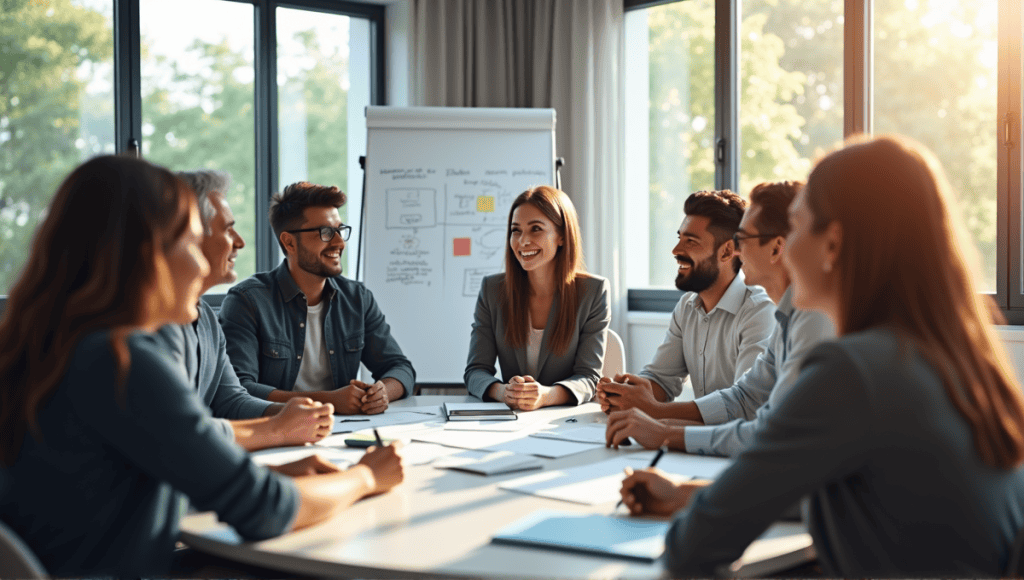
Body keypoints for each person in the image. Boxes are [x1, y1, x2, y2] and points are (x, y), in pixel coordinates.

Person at [620, 135, 1024, 576]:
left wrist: (690, 492)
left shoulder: (852, 370)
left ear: (831, 244)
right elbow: (829, 491)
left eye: (797, 226)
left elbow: (692, 548)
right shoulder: (956, 356)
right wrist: (686, 494)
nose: (787, 249)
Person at [0, 156, 404, 577]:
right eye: (192, 244)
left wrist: (275, 473)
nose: (200, 266)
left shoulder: (58, 342)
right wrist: (365, 477)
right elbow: (265, 510)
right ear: (148, 253)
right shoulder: (120, 360)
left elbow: (120, 479)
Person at [606, 181, 835, 457]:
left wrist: (664, 428)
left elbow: (768, 428)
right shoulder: (787, 315)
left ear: (776, 249)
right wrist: (643, 407)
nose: (737, 252)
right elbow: (745, 398)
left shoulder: (810, 318)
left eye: (743, 241)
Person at [155, 170, 332, 451]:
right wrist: (278, 428)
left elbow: (229, 400)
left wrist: (288, 415)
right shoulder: (151, 327)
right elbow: (177, 432)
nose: (240, 242)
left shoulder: (206, 319)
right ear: (189, 236)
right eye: (227, 229)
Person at [220, 181, 415, 415]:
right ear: (289, 242)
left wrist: (382, 392)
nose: (339, 243)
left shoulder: (357, 298)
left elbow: (400, 367)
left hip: (341, 431)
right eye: (325, 232)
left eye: (340, 231)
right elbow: (240, 388)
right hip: (278, 431)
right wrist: (327, 401)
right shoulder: (247, 301)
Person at [596, 190, 775, 415]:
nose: (676, 251)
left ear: (727, 251)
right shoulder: (687, 306)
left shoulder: (759, 310)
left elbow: (745, 404)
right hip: (702, 441)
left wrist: (656, 411)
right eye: (679, 238)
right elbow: (661, 379)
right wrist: (627, 393)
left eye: (691, 241)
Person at [465, 185, 610, 410]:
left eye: (536, 229)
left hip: (561, 422)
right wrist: (503, 392)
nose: (523, 241)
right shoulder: (492, 290)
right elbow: (475, 371)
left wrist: (546, 395)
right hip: (510, 420)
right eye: (516, 230)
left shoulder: (593, 292)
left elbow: (589, 377)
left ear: (562, 236)